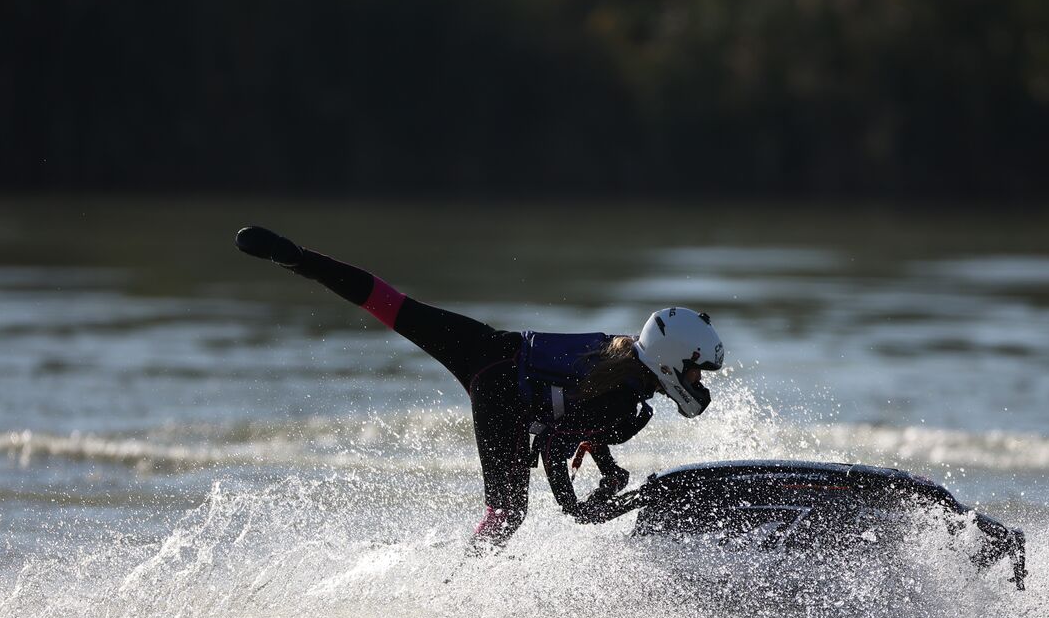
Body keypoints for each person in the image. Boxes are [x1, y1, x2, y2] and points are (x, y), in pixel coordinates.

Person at [235, 226, 725, 548]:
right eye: (696, 372)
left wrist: (607, 469)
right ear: (671, 362)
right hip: (503, 395)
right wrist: (580, 508)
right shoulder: (627, 405)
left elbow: (576, 413)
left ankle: (298, 258)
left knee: (392, 304)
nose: (698, 384)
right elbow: (555, 444)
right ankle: (463, 588)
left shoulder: (621, 354)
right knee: (508, 514)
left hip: (489, 346)